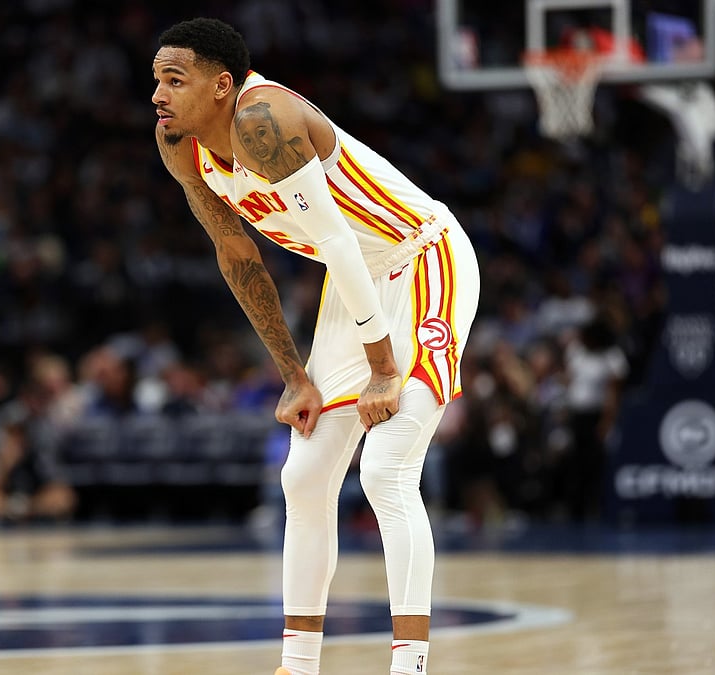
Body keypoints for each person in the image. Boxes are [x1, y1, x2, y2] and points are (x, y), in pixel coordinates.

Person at [151, 18, 480, 675]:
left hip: (422, 259)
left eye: (174, 79)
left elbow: (333, 241)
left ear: (222, 85)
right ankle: (297, 666)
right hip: (353, 284)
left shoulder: (264, 118)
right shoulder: (177, 143)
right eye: (156, 78)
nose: (158, 93)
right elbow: (236, 253)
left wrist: (385, 368)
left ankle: (409, 665)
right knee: (301, 477)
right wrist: (295, 374)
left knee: (385, 470)